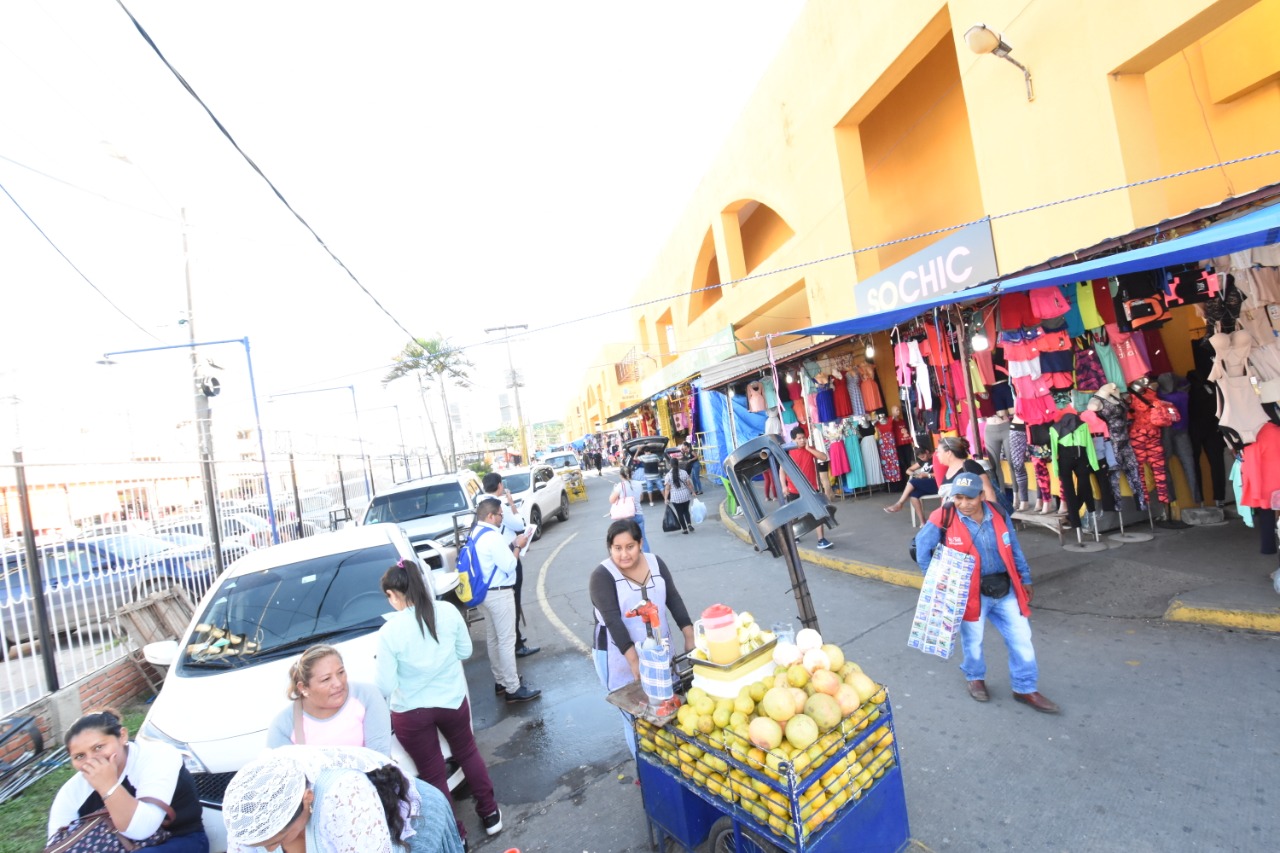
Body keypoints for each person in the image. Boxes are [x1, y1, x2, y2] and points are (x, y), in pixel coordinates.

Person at [376, 559, 503, 846]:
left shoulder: (389, 632)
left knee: (433, 773)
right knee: (468, 752)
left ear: (394, 595)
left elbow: (384, 685)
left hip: (411, 711)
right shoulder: (446, 612)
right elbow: (465, 650)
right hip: (451, 700)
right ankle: (491, 813)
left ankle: (456, 834)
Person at [913, 472, 1060, 714]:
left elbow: (1014, 547)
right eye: (958, 498)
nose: (964, 504)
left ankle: (1025, 688)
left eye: (970, 498)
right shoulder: (944, 516)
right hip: (969, 592)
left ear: (981, 495)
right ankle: (975, 677)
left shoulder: (999, 514)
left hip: (1005, 588)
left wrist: (1025, 578)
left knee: (1022, 638)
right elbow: (922, 547)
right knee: (973, 641)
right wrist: (937, 581)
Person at [222, 744, 463, 853]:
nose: (269, 848)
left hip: (412, 823)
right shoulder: (246, 819)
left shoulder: (345, 798)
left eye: (279, 839)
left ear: (308, 800)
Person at [589, 519, 696, 756]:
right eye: (617, 548)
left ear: (640, 543)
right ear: (610, 548)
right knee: (635, 716)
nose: (624, 554)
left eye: (630, 546)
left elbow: (673, 599)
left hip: (659, 652)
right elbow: (612, 620)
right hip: (619, 658)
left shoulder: (656, 563)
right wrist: (634, 662)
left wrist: (689, 635)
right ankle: (645, 769)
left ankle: (666, 760)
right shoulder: (602, 576)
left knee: (664, 707)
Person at [48, 708, 208, 852]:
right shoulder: (71, 792)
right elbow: (58, 844)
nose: (91, 760)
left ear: (122, 736)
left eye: (98, 747)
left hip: (179, 839)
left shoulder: (158, 756)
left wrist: (108, 786)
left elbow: (143, 829)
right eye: (80, 756)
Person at [470, 496, 541, 703]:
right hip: (500, 593)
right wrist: (518, 546)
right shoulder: (492, 537)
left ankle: (501, 680)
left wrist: (511, 544)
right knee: (507, 641)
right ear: (491, 516)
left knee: (493, 638)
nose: (502, 518)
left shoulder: (476, 532)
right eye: (500, 514)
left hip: (484, 593)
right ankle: (513, 688)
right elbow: (509, 565)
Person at [267, 645, 392, 755]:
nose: (338, 683)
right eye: (326, 679)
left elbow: (380, 759)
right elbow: (284, 774)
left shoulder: (367, 695)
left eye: (341, 672)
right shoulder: (283, 725)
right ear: (303, 688)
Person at [481, 472, 539, 659]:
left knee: (496, 627)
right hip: (506, 558)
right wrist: (511, 503)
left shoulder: (479, 504)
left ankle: (516, 640)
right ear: (499, 485)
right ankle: (516, 645)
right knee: (513, 603)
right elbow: (519, 523)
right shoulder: (498, 506)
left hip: (489, 570)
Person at [782, 426, 833, 549]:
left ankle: (821, 540)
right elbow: (781, 470)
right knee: (794, 515)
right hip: (794, 488)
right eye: (799, 438)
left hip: (810, 487)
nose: (802, 440)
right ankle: (794, 534)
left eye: (803, 437)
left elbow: (824, 457)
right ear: (793, 440)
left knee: (817, 512)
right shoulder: (788, 452)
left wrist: (809, 449)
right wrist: (784, 486)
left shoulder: (809, 450)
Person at [883, 446, 937, 517]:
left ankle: (900, 503)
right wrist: (915, 474)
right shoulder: (922, 461)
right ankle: (922, 522)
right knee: (914, 495)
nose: (922, 459)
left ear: (927, 452)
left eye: (923, 456)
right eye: (920, 458)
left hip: (934, 483)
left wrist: (927, 475)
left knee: (912, 481)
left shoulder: (936, 459)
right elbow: (908, 470)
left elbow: (941, 474)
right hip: (924, 483)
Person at [609, 464, 650, 553]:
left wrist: (614, 489)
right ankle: (647, 558)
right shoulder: (639, 484)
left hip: (626, 516)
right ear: (632, 474)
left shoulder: (620, 486)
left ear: (620, 475)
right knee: (642, 538)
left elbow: (612, 500)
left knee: (629, 540)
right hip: (639, 514)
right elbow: (641, 498)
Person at [663, 458, 695, 534]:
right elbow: (689, 484)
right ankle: (689, 524)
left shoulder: (668, 476)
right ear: (678, 463)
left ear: (670, 465)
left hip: (675, 497)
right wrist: (693, 492)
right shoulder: (684, 472)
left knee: (679, 513)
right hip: (685, 495)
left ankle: (684, 529)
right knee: (686, 511)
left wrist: (665, 499)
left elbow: (667, 489)